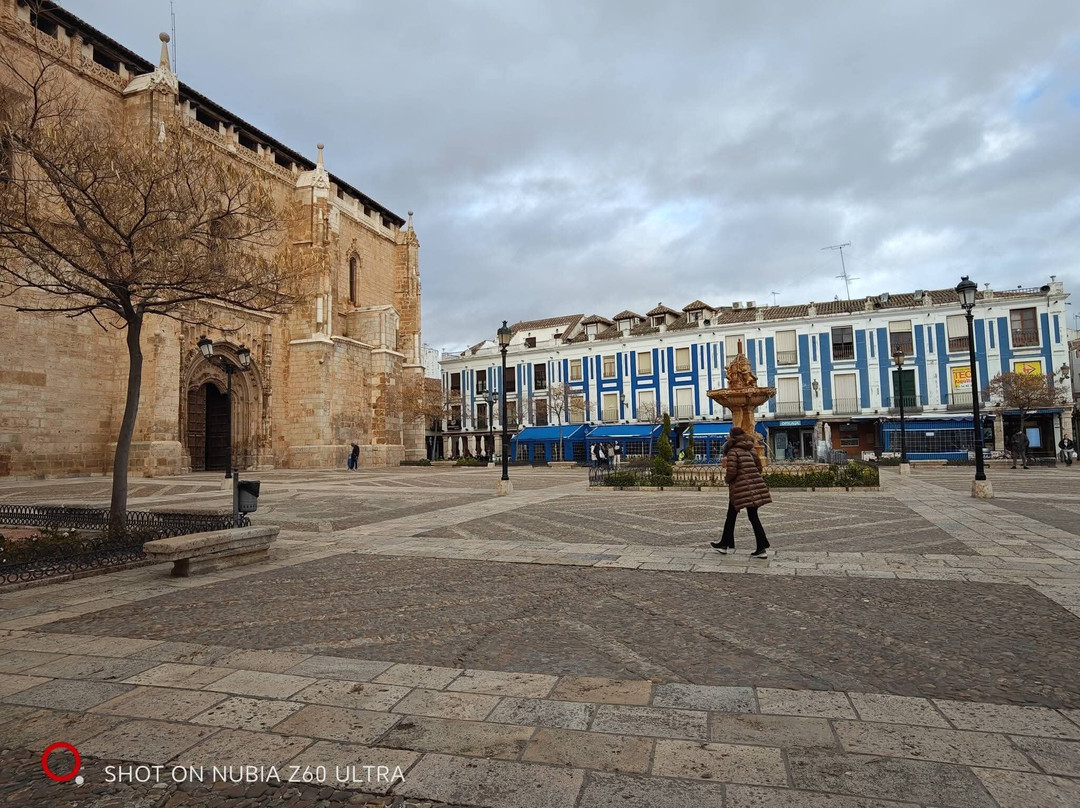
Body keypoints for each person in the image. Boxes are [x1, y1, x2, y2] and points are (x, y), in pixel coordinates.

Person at [710, 427, 772, 559]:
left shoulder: (733, 451)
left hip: (740, 489)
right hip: (753, 487)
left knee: (734, 516)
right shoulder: (751, 449)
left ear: (732, 437)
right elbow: (759, 467)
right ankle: (725, 544)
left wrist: (727, 480)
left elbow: (732, 471)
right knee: (748, 516)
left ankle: (760, 548)